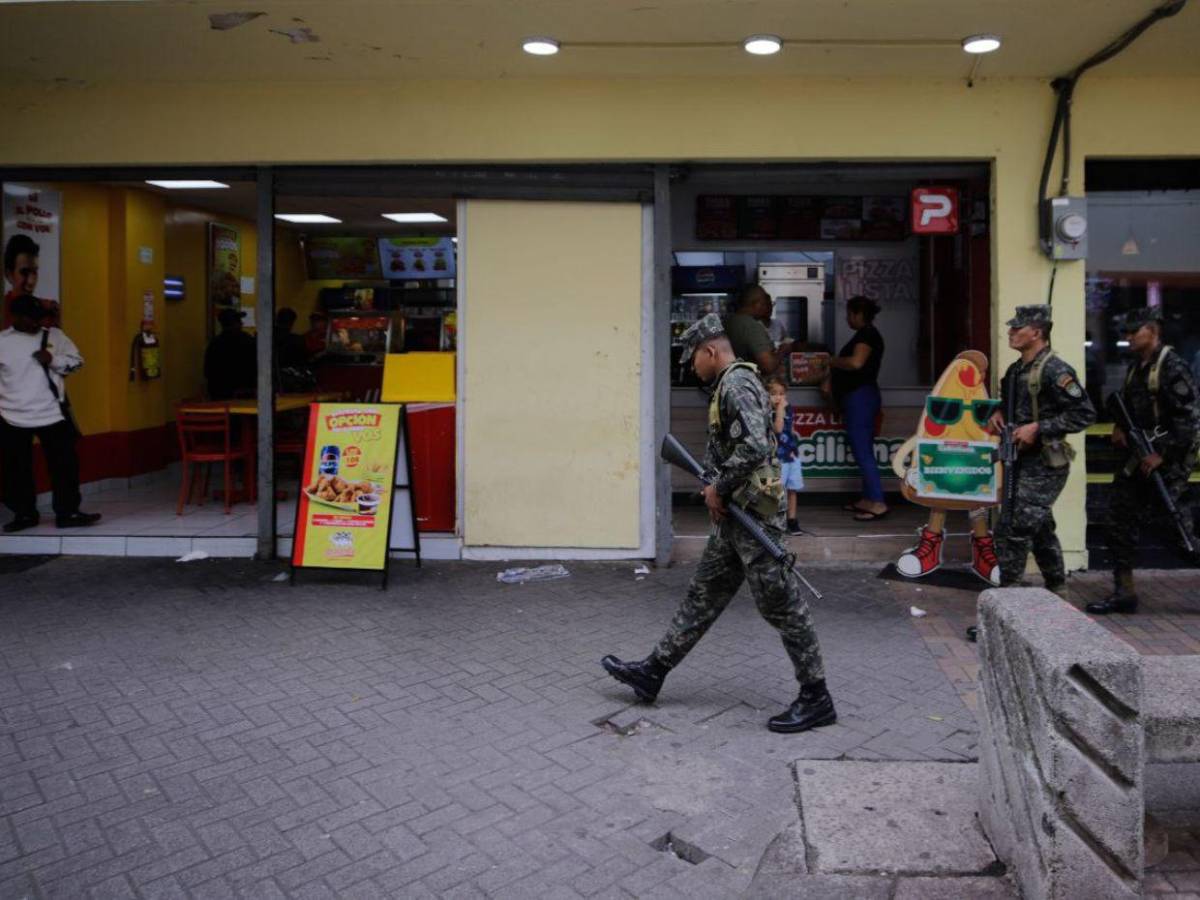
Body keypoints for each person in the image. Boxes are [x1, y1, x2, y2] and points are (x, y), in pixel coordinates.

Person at [601, 314, 835, 734]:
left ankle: (816, 697)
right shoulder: (729, 384)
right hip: (737, 519)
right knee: (702, 595)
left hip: (756, 521)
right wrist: (719, 490)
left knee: (782, 607)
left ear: (710, 351)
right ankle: (653, 671)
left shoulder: (737, 383)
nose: (692, 367)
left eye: (693, 358)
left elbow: (755, 446)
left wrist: (718, 487)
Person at [965, 304, 1095, 642]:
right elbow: (1009, 409)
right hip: (1018, 460)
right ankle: (1059, 595)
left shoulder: (1055, 371)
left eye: (1017, 328)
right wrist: (997, 415)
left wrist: (1039, 427)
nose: (1010, 332)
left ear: (1036, 332)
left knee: (1012, 529)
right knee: (1040, 529)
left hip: (1046, 463)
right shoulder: (1015, 371)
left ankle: (1003, 616)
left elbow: (1084, 414)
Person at [1087, 308, 1199, 615]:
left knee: (1175, 531)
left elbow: (1189, 420)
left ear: (1152, 331)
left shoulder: (1173, 366)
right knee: (1117, 521)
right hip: (1136, 456)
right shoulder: (1137, 366)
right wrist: (1121, 427)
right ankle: (1124, 592)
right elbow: (1128, 405)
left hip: (1166, 459)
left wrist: (1161, 454)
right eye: (1125, 332)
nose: (1127, 338)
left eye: (1133, 332)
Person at [0, 294, 100, 532]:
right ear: (15, 317)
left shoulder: (55, 336)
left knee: (65, 466)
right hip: (11, 415)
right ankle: (24, 514)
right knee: (17, 469)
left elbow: (77, 362)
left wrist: (53, 360)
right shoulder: (3, 342)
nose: (36, 324)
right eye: (30, 319)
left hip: (52, 413)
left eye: (38, 319)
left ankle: (68, 512)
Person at [828, 295, 887, 521]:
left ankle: (878, 502)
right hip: (859, 397)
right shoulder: (866, 335)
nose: (847, 318)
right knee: (862, 449)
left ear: (858, 314)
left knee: (863, 451)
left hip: (861, 398)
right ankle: (868, 499)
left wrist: (831, 361)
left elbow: (856, 363)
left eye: (849, 314)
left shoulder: (867, 335)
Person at [767, 375, 805, 536]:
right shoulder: (767, 412)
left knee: (792, 489)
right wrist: (780, 410)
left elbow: (789, 430)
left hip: (791, 456)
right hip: (777, 458)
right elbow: (778, 429)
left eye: (782, 393)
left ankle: (792, 520)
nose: (779, 397)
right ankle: (776, 521)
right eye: (774, 393)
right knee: (776, 491)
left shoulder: (789, 409)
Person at [724, 284, 785, 376]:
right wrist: (783, 350)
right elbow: (768, 365)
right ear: (757, 304)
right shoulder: (751, 326)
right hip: (747, 385)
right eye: (765, 304)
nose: (767, 308)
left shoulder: (728, 322)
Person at [4, 234, 58, 329]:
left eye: (35, 272)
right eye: (24, 272)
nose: (31, 282)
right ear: (9, 275)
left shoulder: (49, 311)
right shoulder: (3, 310)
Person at [204, 307, 257, 400]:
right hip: (244, 395)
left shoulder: (214, 343)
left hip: (218, 395)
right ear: (235, 323)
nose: (242, 323)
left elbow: (207, 371)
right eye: (239, 321)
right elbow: (255, 366)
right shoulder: (247, 340)